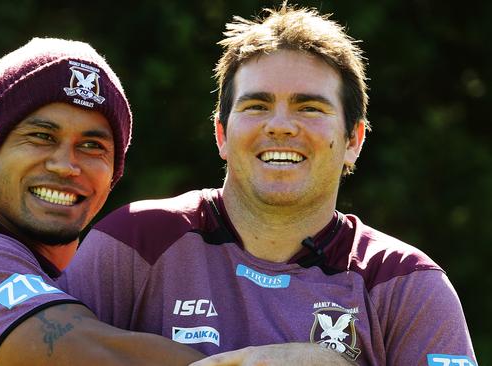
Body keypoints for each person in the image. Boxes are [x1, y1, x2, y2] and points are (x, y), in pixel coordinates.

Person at [60, 4, 478, 366]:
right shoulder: (136, 242)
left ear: (353, 141)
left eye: (309, 107)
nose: (280, 126)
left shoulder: (406, 283)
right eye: (257, 106)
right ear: (222, 135)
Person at [0, 38, 204, 366]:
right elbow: (96, 355)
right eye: (41, 137)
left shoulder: (87, 286)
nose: (66, 165)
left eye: (92, 145)